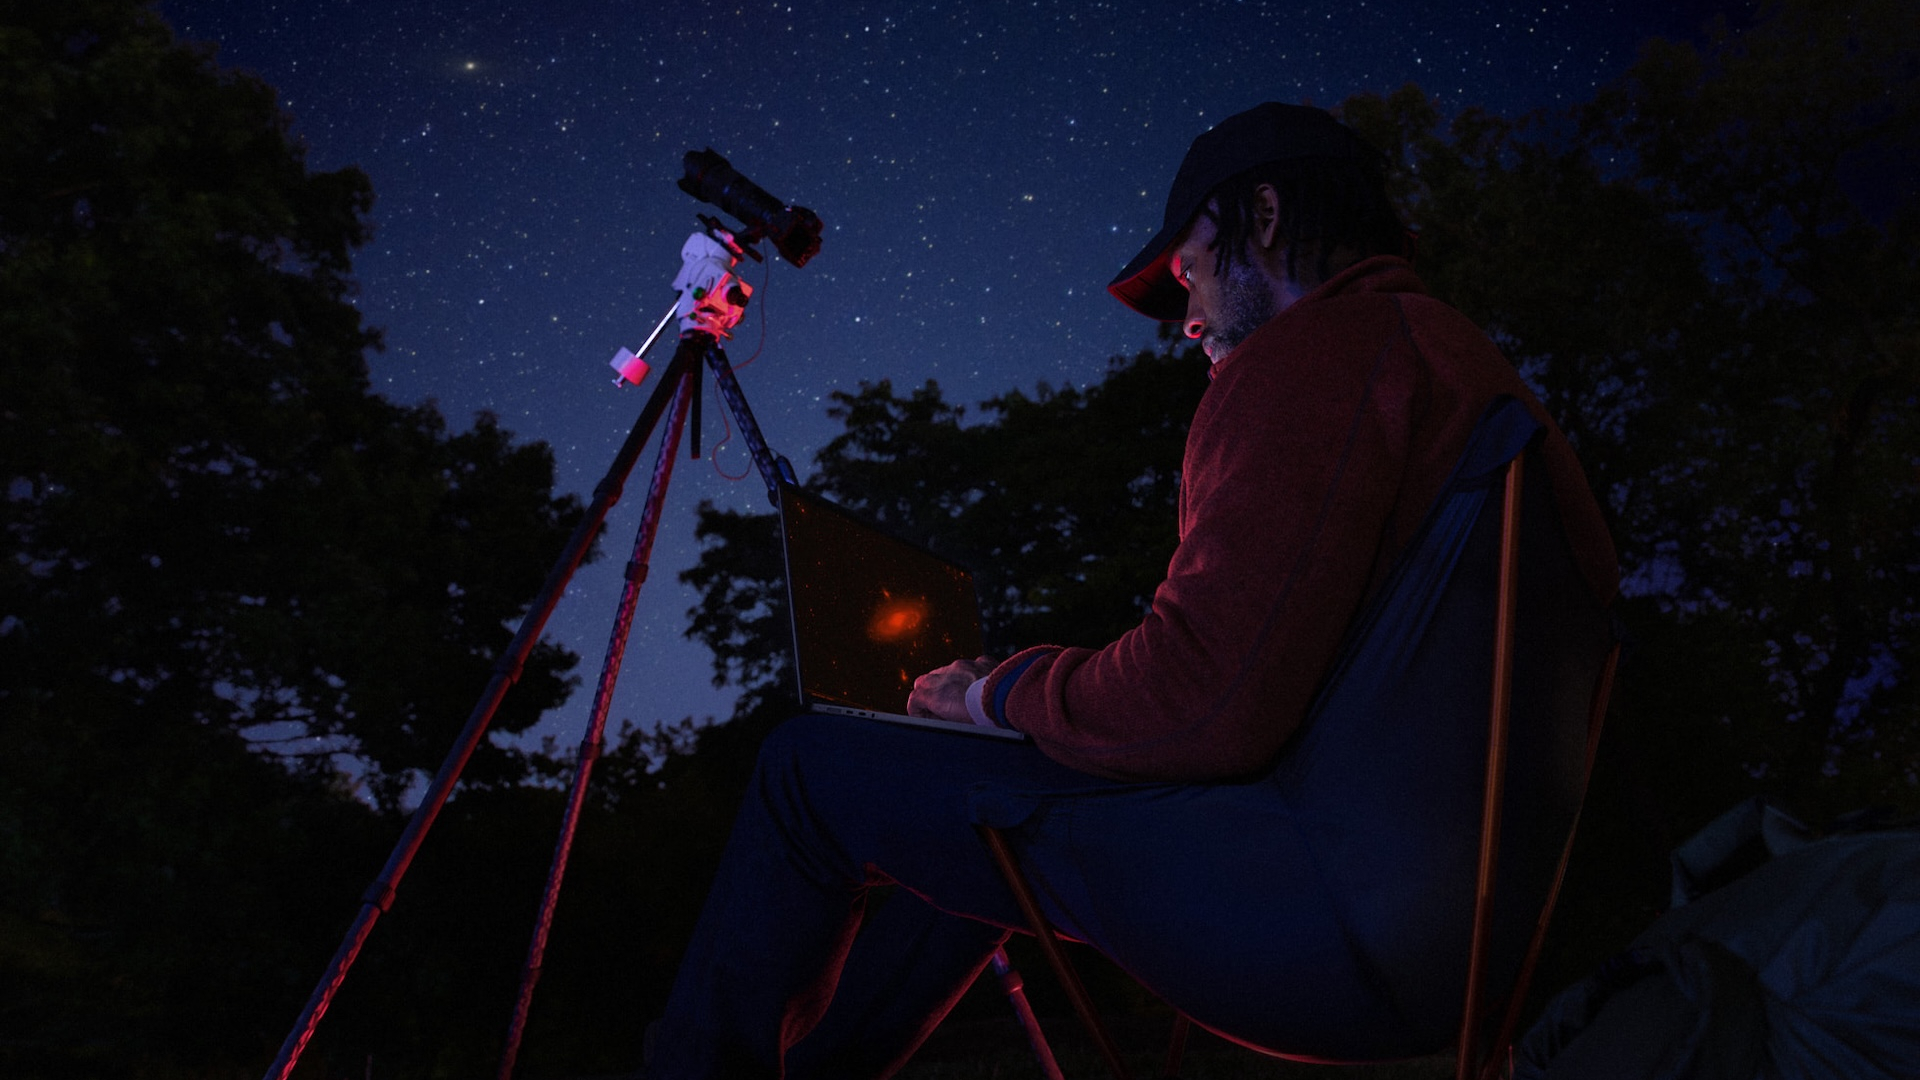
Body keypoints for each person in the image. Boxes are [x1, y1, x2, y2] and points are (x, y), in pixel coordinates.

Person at [641, 102, 1619, 1079]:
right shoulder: (1457, 361)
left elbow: (1201, 703)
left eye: (1190, 267)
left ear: (1264, 216)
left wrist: (991, 691)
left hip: (1316, 918)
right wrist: (1029, 719)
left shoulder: (1318, 355)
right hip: (1448, 945)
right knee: (973, 828)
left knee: (808, 769)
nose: (1187, 316)